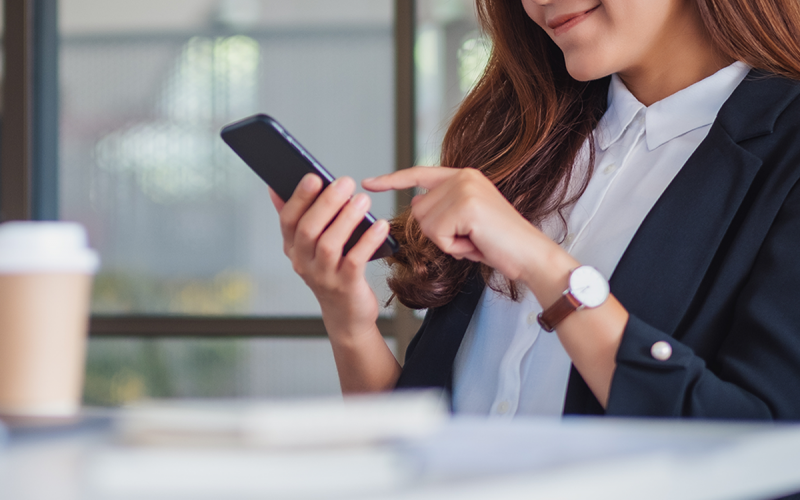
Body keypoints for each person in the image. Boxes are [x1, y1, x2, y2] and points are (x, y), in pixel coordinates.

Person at [269, 0, 800, 419]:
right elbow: (422, 444)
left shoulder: (785, 154)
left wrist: (544, 266)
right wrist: (349, 321)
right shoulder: (523, 141)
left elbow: (762, 439)